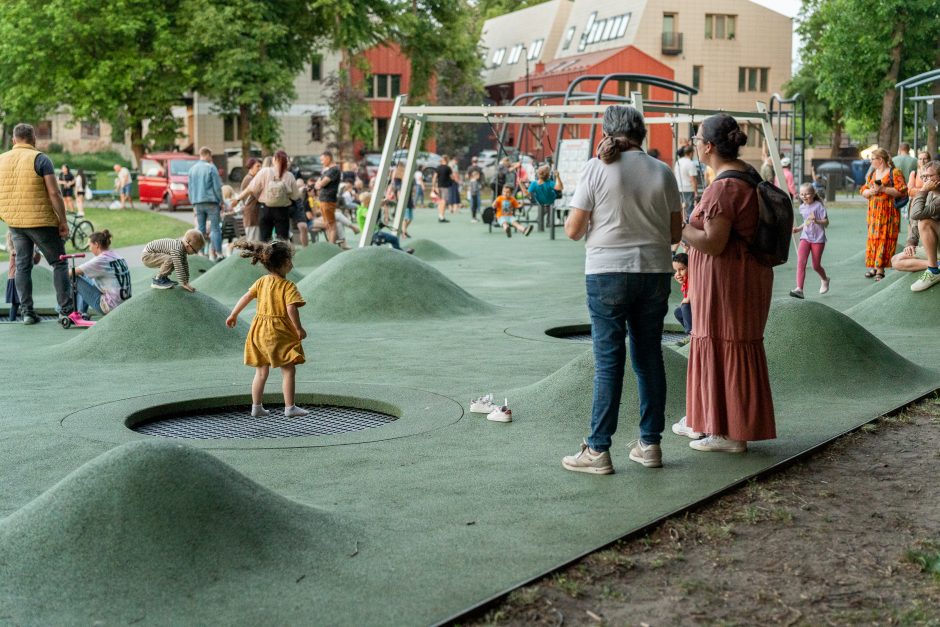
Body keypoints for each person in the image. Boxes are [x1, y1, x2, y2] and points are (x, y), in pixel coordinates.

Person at [561, 105, 682, 473]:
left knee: (609, 362)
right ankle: (650, 445)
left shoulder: (596, 169)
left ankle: (598, 450)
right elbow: (676, 234)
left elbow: (573, 230)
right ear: (641, 134)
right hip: (654, 273)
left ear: (609, 133)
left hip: (606, 273)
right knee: (649, 358)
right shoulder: (663, 172)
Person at [674, 113, 776, 453]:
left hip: (728, 279)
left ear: (708, 146)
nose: (694, 142)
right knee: (733, 343)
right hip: (746, 275)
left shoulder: (724, 187)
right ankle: (721, 425)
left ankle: (726, 432)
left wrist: (676, 227)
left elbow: (713, 242)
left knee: (722, 341)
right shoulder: (746, 175)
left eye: (698, 136)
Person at [0, 123, 75, 325]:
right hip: (41, 221)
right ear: (34, 139)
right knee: (59, 262)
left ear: (14, 140)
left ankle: (27, 313)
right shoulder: (40, 159)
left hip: (15, 222)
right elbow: (54, 193)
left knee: (22, 265)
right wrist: (63, 221)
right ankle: (66, 311)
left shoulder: (1, 160)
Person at [225, 239, 309, 418]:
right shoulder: (288, 286)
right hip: (278, 333)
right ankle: (290, 407)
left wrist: (233, 314)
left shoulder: (262, 281)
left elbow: (246, 297)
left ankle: (256, 407)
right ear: (286, 262)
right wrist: (299, 328)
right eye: (291, 260)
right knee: (288, 369)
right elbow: (291, 308)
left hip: (258, 331)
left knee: (261, 371)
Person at [232, 150, 302, 242]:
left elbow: (250, 188)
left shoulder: (265, 171)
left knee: (264, 240)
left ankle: (265, 255)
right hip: (282, 211)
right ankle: (281, 255)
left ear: (274, 160)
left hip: (266, 210)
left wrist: (237, 199)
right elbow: (295, 196)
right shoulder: (289, 176)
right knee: (282, 240)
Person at [892, 160, 940, 292]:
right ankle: (936, 265)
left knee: (925, 222)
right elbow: (914, 219)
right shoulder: (929, 193)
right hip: (935, 249)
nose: (925, 180)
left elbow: (917, 214)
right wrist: (911, 242)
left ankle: (933, 270)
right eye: (923, 177)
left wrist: (923, 190)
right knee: (896, 260)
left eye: (929, 176)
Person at [862, 148, 907, 281]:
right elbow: (863, 189)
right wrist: (869, 192)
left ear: (880, 160)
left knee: (884, 239)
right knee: (873, 239)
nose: (871, 161)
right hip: (873, 213)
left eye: (872, 159)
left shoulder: (895, 172)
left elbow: (902, 191)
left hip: (888, 212)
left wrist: (884, 189)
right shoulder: (873, 173)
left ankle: (880, 270)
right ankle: (876, 266)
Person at [71, 230, 131, 316]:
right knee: (86, 274)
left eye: (89, 245)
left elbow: (71, 273)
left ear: (96, 244)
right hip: (124, 304)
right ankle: (81, 312)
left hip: (109, 307)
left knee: (73, 277)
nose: (89, 249)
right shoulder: (118, 257)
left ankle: (68, 311)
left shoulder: (100, 260)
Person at [789, 183, 830, 299]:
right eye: (802, 194)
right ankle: (799, 289)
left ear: (813, 194)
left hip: (818, 239)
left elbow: (826, 222)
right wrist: (798, 229)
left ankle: (825, 279)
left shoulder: (818, 206)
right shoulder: (802, 207)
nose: (804, 196)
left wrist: (817, 221)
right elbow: (807, 222)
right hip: (805, 237)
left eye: (806, 193)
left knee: (816, 265)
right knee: (801, 262)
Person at [188, 147, 225, 261]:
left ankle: (200, 253)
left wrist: (193, 201)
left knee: (201, 229)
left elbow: (190, 188)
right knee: (215, 229)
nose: (211, 158)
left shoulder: (192, 169)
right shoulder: (211, 167)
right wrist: (221, 201)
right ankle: (218, 253)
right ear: (208, 155)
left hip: (197, 202)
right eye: (211, 156)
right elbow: (217, 187)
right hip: (211, 202)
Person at [141, 229, 205, 291]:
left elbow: (184, 265)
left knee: (174, 260)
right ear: (188, 246)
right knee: (172, 260)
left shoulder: (182, 250)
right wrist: (184, 283)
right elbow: (179, 267)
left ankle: (163, 278)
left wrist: (186, 282)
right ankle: (158, 280)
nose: (196, 253)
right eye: (195, 250)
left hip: (152, 254)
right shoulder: (177, 249)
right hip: (148, 256)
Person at [313, 151, 341, 243]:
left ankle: (331, 246)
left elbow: (321, 184)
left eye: (322, 159)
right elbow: (317, 184)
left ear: (328, 158)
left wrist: (319, 184)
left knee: (331, 224)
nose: (321, 162)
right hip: (323, 200)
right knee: (327, 224)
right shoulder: (327, 170)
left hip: (328, 200)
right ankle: (330, 244)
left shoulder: (334, 170)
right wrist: (318, 184)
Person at [527, 165, 563, 230]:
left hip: (540, 201)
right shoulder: (550, 183)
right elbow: (560, 187)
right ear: (548, 175)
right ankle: (548, 222)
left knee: (547, 207)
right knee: (549, 206)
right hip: (550, 200)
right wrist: (558, 176)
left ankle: (545, 221)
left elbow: (527, 193)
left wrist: (520, 184)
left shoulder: (534, 183)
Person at [239, 158, 262, 241]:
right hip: (252, 215)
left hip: (253, 215)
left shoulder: (251, 178)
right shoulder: (250, 179)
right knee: (254, 243)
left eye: (260, 166)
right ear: (251, 167)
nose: (260, 168)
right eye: (257, 166)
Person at [674, 145, 698, 220]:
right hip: (688, 189)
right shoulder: (690, 163)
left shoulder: (678, 162)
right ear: (690, 153)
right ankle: (689, 225)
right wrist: (696, 192)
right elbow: (693, 179)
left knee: (680, 208)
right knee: (689, 209)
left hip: (678, 188)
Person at [672, 252, 692, 336]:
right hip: (694, 312)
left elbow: (689, 298)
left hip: (701, 312)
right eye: (676, 271)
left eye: (681, 269)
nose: (678, 274)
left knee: (685, 305)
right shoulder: (684, 284)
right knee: (678, 312)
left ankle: (691, 332)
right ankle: (691, 333)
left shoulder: (692, 279)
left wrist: (686, 299)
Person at [432, 154, 453, 223]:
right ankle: (441, 216)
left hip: (439, 186)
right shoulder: (448, 168)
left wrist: (433, 186)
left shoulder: (438, 168)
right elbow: (452, 176)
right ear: (446, 160)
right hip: (445, 187)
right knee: (444, 201)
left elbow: (434, 177)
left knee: (440, 201)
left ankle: (440, 215)